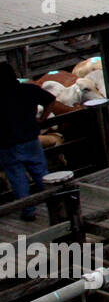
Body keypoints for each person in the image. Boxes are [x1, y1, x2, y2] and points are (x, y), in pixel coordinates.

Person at [0, 63, 55, 220]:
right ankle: (55, 204)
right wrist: (43, 118)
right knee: (41, 173)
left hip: (6, 145)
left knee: (17, 179)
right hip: (30, 140)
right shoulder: (28, 89)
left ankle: (28, 211)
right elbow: (50, 99)